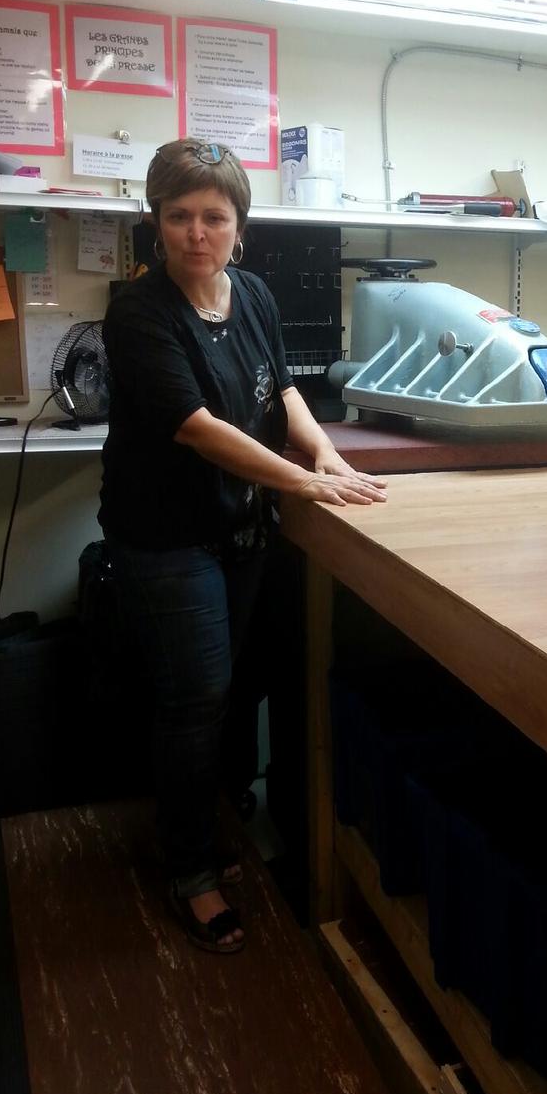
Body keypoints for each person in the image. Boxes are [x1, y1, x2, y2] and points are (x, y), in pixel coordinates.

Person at [99, 138, 386, 954]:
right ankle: (190, 870)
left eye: (214, 217)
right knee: (195, 697)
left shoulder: (252, 293)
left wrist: (325, 454)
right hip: (165, 537)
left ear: (240, 226)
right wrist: (300, 484)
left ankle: (210, 824)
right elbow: (198, 427)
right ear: (155, 222)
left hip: (240, 528)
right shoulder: (139, 311)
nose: (197, 232)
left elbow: (282, 389)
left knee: (232, 689)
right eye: (179, 216)